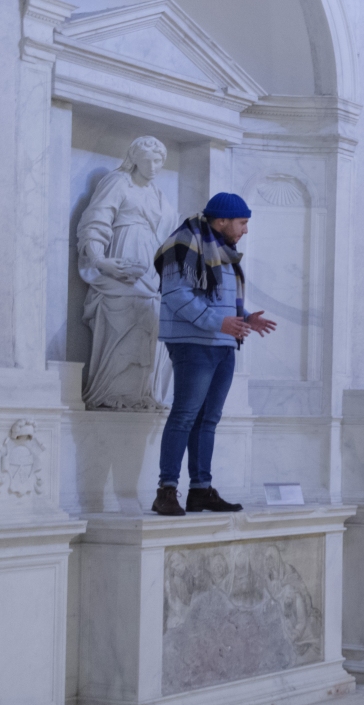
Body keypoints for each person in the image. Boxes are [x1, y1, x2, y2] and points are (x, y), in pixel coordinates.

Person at [150, 192, 276, 517]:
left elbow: (215, 298)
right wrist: (219, 322)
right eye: (242, 222)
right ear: (222, 221)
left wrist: (244, 318)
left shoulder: (220, 250)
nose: (245, 229)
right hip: (193, 343)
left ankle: (200, 490)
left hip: (222, 344)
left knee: (208, 419)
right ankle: (166, 491)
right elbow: (176, 295)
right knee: (184, 416)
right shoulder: (183, 246)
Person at [76, 135, 176, 409]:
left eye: (158, 161)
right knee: (125, 319)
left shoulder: (158, 194)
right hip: (123, 257)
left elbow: (170, 234)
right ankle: (112, 393)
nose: (153, 167)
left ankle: (141, 394)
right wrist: (99, 260)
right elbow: (96, 222)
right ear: (134, 159)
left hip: (152, 265)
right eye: (147, 160)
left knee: (150, 322)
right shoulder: (119, 182)